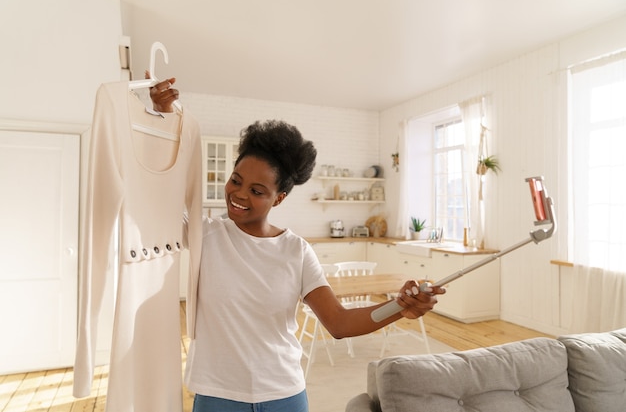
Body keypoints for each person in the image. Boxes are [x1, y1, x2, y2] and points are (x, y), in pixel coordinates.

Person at [149, 78, 446, 412]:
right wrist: (163, 118)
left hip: (284, 395)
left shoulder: (296, 250)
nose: (239, 195)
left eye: (258, 191)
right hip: (218, 395)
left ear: (279, 198)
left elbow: (339, 324)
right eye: (236, 180)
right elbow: (155, 191)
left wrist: (400, 307)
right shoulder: (205, 234)